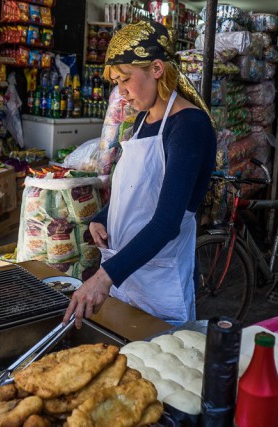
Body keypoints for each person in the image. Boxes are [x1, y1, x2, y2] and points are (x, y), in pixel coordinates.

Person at [63, 20, 216, 328]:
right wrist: (102, 218)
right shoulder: (141, 123)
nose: (122, 92)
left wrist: (103, 277)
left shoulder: (188, 126)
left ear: (156, 68)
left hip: (159, 283)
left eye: (125, 80)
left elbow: (166, 223)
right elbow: (133, 191)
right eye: (117, 83)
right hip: (124, 273)